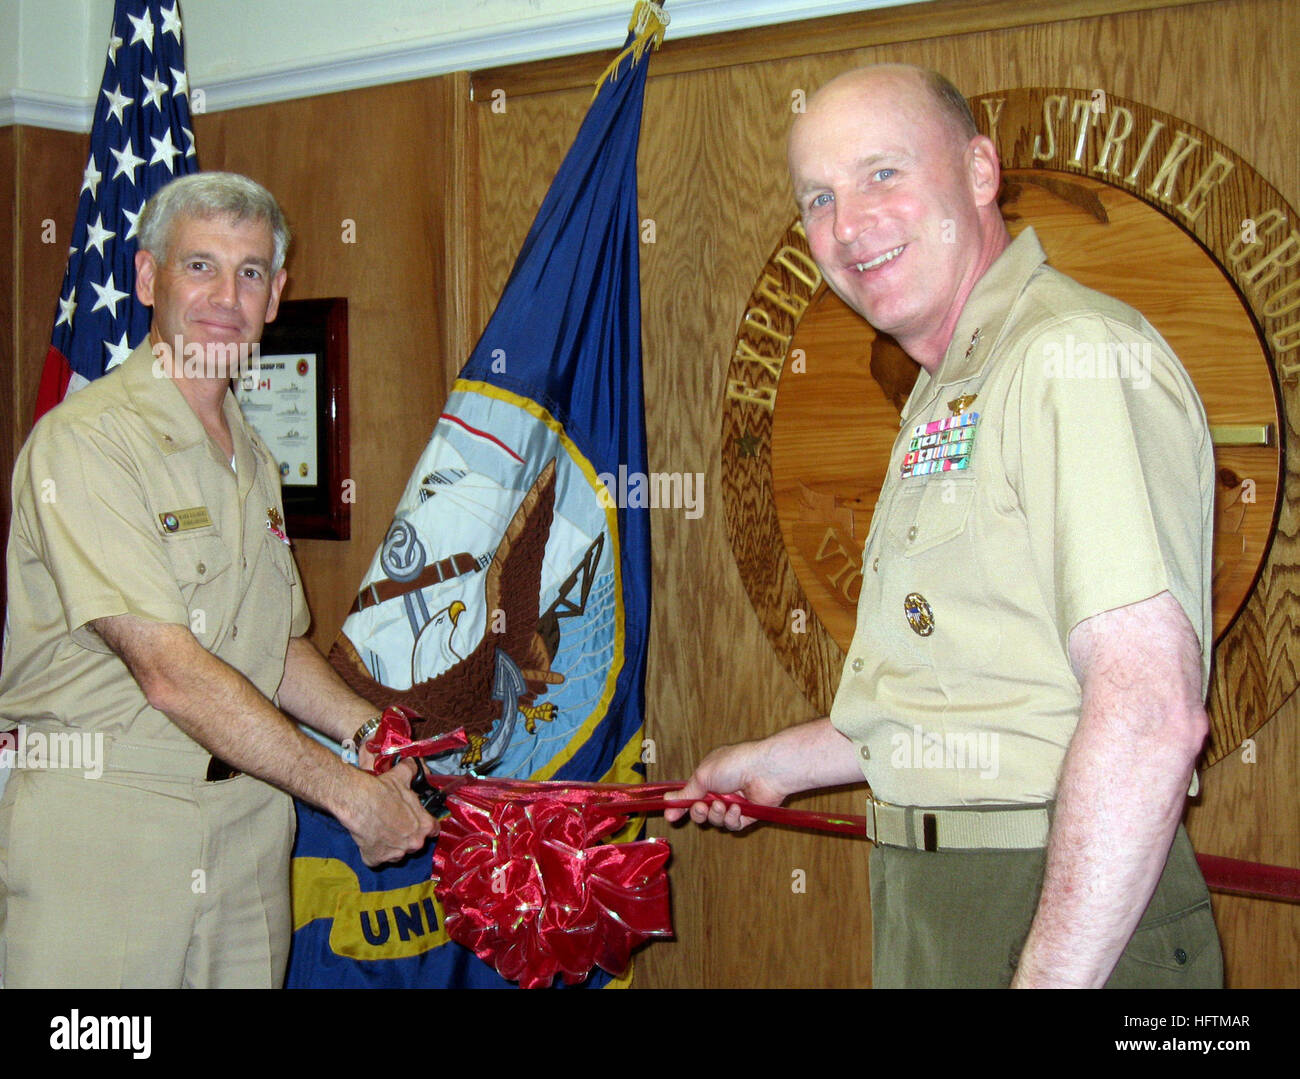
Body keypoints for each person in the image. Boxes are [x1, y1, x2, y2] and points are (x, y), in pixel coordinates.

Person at [667, 65, 1223, 988]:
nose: (847, 227)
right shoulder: (953, 386)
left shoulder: (1066, 358)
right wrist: (774, 764)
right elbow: (971, 695)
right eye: (818, 198)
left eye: (883, 174)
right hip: (945, 899)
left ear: (978, 171)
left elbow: (1150, 711)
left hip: (1064, 914)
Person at [0, 172, 436, 988]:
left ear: (277, 294)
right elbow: (170, 672)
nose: (225, 296)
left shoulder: (251, 454)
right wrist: (345, 793)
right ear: (146, 278)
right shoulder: (86, 445)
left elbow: (274, 646)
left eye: (249, 272)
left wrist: (370, 733)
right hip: (108, 834)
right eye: (200, 265)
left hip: (247, 834)